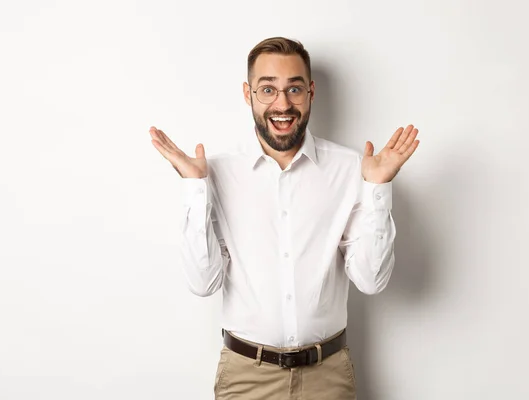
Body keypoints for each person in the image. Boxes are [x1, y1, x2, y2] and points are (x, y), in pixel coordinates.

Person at [149, 37, 420, 400]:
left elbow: (371, 280)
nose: (282, 104)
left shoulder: (350, 168)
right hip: (247, 377)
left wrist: (377, 188)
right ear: (248, 94)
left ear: (310, 92)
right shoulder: (217, 172)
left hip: (329, 375)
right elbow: (203, 283)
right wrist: (196, 188)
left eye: (294, 88)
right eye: (268, 89)